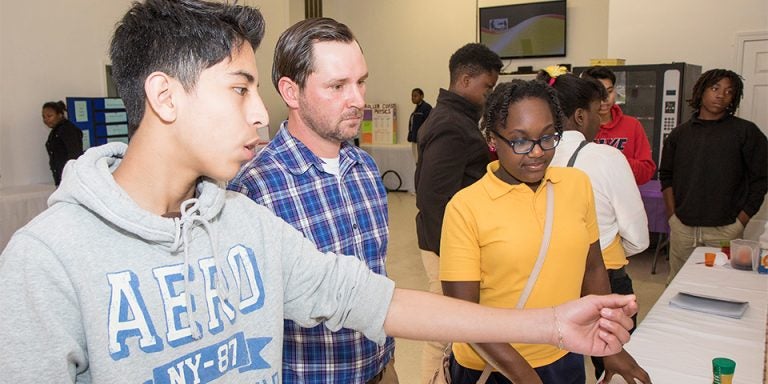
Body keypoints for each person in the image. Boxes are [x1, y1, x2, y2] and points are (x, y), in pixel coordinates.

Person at [0, 1, 639, 382]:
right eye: (238, 89)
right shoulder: (47, 260)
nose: (257, 116)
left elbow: (373, 299)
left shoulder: (240, 224)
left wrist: (551, 323)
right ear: (164, 96)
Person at [440, 79, 651, 384]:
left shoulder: (576, 186)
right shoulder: (465, 207)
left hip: (565, 353)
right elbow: (463, 314)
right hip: (493, 365)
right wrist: (525, 376)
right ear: (492, 139)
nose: (537, 152)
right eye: (520, 141)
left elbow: (592, 269)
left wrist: (609, 345)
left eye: (547, 137)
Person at [228, 18, 396, 384]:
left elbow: (376, 277)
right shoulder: (255, 190)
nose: (359, 100)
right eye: (337, 86)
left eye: (360, 81)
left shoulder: (365, 169)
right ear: (291, 92)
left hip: (381, 369)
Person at [541, 68, 650, 381]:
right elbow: (639, 238)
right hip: (605, 277)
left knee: (560, 357)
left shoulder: (532, 155)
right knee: (613, 362)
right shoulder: (605, 157)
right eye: (594, 112)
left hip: (551, 280)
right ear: (578, 115)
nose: (600, 121)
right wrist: (609, 242)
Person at [414, 42, 501, 383]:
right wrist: (452, 255)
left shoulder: (458, 119)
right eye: (487, 88)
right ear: (465, 80)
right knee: (443, 335)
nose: (490, 96)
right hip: (446, 246)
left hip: (454, 242)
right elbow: (432, 197)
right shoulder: (452, 124)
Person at [659, 69, 767, 283]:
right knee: (678, 286)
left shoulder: (746, 132)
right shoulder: (680, 134)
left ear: (733, 98)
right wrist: (673, 216)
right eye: (715, 88)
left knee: (721, 286)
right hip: (683, 229)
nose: (721, 95)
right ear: (701, 91)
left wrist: (740, 221)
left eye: (729, 91)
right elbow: (666, 175)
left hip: (725, 230)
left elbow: (762, 179)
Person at [580, 66, 656, 185]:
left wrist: (616, 160)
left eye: (609, 91)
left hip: (624, 198)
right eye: (599, 94)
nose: (605, 99)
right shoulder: (580, 127)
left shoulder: (632, 125)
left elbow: (646, 171)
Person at [42, 100, 84, 185]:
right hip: (61, 178)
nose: (46, 120)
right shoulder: (56, 131)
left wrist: (69, 177)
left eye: (49, 116)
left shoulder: (67, 130)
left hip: (70, 179)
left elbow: (74, 154)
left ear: (60, 115)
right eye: (44, 117)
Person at [408, 87, 432, 163]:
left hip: (421, 140)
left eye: (415, 96)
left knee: (420, 162)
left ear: (422, 96)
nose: (413, 98)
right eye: (412, 96)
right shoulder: (417, 108)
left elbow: (429, 124)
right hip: (415, 139)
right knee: (416, 161)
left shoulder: (426, 108)